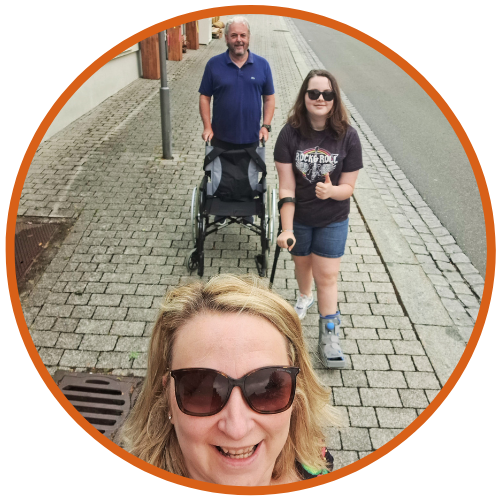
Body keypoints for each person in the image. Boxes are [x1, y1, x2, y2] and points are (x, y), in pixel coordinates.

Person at [120, 274, 340, 486]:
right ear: (168, 398)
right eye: (203, 391)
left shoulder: (313, 461)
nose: (237, 429)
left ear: (296, 393)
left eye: (267, 388)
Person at [274, 69, 363, 370]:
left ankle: (329, 334)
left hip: (333, 218)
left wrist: (332, 191)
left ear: (335, 99)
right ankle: (304, 297)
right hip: (299, 217)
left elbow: (349, 187)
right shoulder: (290, 133)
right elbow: (285, 185)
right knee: (302, 264)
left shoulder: (348, 136)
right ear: (304, 97)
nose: (320, 99)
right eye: (314, 93)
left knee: (327, 275)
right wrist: (286, 228)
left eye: (327, 94)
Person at [199, 16, 275, 228]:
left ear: (249, 38)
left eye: (243, 35)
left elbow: (269, 97)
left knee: (247, 177)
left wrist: (266, 125)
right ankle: (220, 211)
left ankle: (246, 211)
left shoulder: (262, 65)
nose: (238, 39)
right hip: (221, 137)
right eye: (234, 35)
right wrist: (207, 126)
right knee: (220, 175)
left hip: (251, 138)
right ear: (226, 38)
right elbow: (204, 96)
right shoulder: (214, 65)